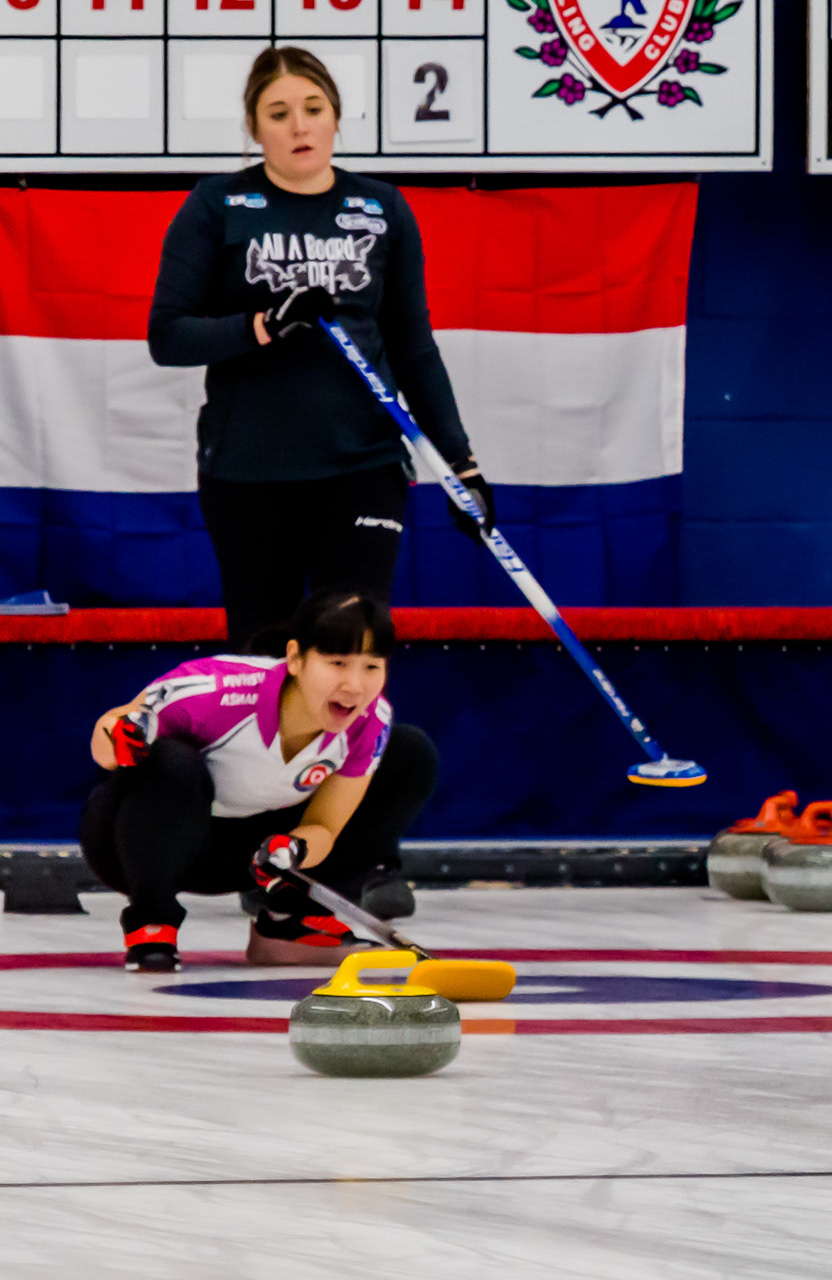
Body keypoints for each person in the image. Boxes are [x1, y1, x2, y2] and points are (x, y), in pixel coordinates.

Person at [148, 46, 492, 650]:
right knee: (265, 658)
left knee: (350, 651)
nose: (299, 126)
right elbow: (168, 335)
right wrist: (264, 324)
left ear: (336, 116)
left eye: (313, 108)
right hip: (249, 472)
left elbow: (413, 347)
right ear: (254, 127)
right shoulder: (216, 205)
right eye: (278, 113)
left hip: (363, 466)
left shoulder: (383, 208)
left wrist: (461, 463)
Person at [82, 590, 438, 973]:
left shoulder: (370, 721)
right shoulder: (215, 690)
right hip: (134, 844)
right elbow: (108, 731)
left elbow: (324, 826)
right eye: (338, 663)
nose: (355, 685)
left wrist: (295, 851)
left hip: (249, 857)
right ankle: (151, 919)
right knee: (170, 760)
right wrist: (124, 739)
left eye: (371, 667)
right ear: (295, 658)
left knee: (410, 753)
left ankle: (289, 923)